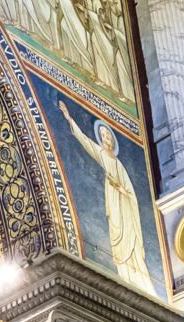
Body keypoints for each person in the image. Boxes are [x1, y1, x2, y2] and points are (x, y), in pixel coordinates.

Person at [57, 101, 158, 299]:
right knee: (116, 238)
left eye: (107, 136)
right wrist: (69, 119)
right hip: (113, 206)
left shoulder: (119, 164)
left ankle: (135, 277)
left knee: (129, 243)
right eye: (102, 136)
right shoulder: (102, 155)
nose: (105, 139)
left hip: (125, 207)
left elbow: (131, 193)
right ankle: (124, 274)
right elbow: (86, 142)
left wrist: (121, 189)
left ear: (112, 140)